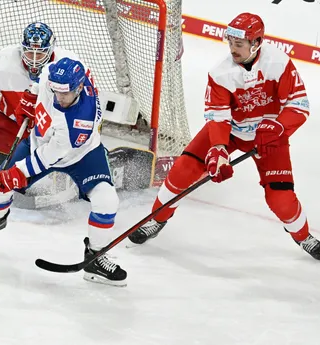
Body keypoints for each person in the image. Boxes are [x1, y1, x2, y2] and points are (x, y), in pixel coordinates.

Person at [128, 12, 320, 260]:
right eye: (230, 43)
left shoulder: (279, 63)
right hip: (231, 132)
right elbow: (219, 118)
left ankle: (303, 236)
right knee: (183, 169)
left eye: (238, 44)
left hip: (270, 137)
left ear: (257, 42)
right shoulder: (221, 73)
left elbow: (299, 104)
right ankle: (156, 219)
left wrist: (278, 127)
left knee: (281, 200)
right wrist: (218, 150)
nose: (232, 49)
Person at [0, 57, 127, 286]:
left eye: (65, 94)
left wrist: (17, 173)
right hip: (39, 142)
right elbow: (41, 79)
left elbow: (49, 156)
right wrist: (32, 95)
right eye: (55, 91)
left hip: (81, 154)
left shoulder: (80, 120)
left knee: (107, 200)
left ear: (79, 87)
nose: (59, 97)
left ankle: (96, 258)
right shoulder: (53, 72)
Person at [0, 22, 80, 153]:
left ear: (50, 49)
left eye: (40, 54)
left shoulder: (69, 65)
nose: (34, 60)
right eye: (29, 53)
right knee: (1, 168)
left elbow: (86, 101)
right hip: (10, 127)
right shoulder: (3, 62)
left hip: (52, 132)